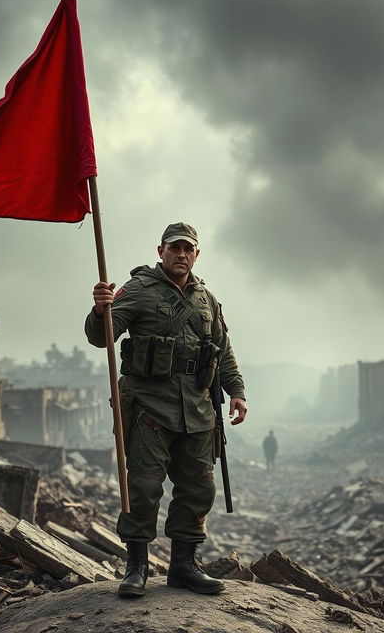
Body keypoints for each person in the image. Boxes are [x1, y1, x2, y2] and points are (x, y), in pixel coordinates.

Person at [84, 222, 247, 598]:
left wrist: (236, 391)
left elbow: (223, 350)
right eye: (174, 248)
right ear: (161, 251)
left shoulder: (206, 298)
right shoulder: (138, 290)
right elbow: (100, 338)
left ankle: (183, 567)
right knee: (142, 488)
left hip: (198, 410)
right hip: (149, 407)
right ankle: (136, 566)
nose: (181, 254)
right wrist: (99, 310)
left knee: (197, 489)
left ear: (196, 254)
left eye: (188, 249)